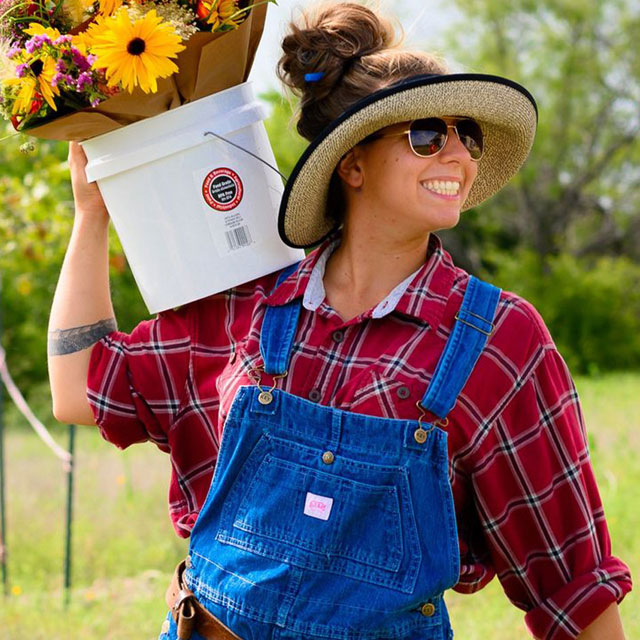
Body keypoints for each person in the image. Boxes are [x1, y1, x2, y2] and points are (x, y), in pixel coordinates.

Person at [47, 2, 632, 639]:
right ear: (351, 163)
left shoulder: (499, 341)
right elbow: (78, 389)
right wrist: (91, 216)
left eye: (469, 136)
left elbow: (571, 583)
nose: (458, 154)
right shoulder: (247, 308)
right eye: (426, 135)